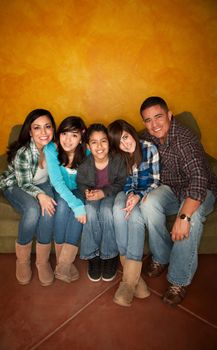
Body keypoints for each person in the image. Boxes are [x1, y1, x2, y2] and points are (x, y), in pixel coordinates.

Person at [139, 96, 217, 305]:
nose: (154, 125)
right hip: (172, 189)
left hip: (200, 190)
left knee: (193, 216)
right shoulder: (148, 137)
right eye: (148, 120)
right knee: (148, 203)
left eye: (158, 117)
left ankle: (178, 280)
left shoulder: (185, 139)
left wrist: (184, 215)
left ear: (169, 115)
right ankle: (161, 256)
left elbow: (199, 179)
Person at [0, 109, 57, 286]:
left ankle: (42, 261)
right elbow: (24, 184)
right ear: (30, 131)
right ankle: (23, 261)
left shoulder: (53, 147)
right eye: (37, 128)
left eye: (47, 127)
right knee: (33, 210)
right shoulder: (24, 153)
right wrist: (40, 195)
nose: (43, 132)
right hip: (16, 184)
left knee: (49, 210)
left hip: (41, 183)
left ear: (53, 129)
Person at [108, 119, 160, 306]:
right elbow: (124, 181)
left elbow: (154, 181)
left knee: (136, 217)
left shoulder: (149, 148)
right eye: (119, 142)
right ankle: (135, 279)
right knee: (117, 209)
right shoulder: (119, 156)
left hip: (146, 194)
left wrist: (138, 196)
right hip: (126, 192)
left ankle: (128, 283)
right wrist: (130, 194)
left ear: (131, 133)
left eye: (125, 137)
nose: (124, 144)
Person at [77, 123, 127, 282]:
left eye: (103, 141)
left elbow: (121, 182)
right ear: (88, 146)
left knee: (106, 212)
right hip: (93, 195)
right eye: (94, 142)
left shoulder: (117, 160)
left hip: (111, 193)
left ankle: (109, 255)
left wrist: (104, 193)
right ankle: (93, 256)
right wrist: (86, 191)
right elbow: (81, 183)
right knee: (90, 212)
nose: (99, 146)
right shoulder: (85, 164)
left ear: (109, 142)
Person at [44, 116, 88, 283]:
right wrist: (75, 205)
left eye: (74, 135)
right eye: (64, 134)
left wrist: (79, 204)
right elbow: (57, 182)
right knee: (63, 206)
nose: (68, 140)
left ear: (82, 136)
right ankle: (64, 263)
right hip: (59, 189)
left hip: (79, 189)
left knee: (81, 206)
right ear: (59, 134)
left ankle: (63, 264)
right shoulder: (51, 149)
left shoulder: (87, 150)